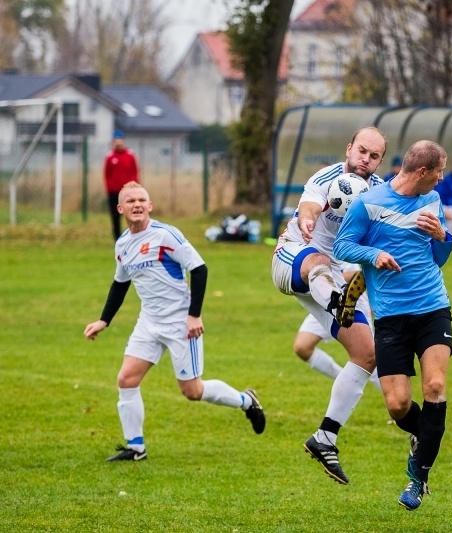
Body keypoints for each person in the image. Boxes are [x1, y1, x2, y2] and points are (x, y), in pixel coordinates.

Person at [84, 182, 266, 462]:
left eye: (142, 199)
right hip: (149, 321)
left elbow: (199, 269)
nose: (137, 204)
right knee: (126, 379)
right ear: (120, 208)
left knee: (192, 391)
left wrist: (194, 315)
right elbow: (120, 284)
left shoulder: (165, 235)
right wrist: (103, 320)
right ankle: (136, 448)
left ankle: (246, 401)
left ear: (150, 205)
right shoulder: (122, 244)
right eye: (130, 201)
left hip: (180, 321)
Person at [334, 140, 452, 511]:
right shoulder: (370, 203)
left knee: (435, 386)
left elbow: (442, 256)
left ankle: (417, 477)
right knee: (398, 405)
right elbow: (342, 246)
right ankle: (425, 437)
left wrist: (442, 237)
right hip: (390, 316)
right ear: (422, 172)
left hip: (433, 307)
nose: (442, 178)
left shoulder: (433, 201)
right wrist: (374, 254)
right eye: (439, 171)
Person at [271, 126, 385, 485]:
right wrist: (306, 219)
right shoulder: (328, 176)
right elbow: (309, 205)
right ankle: (340, 304)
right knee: (318, 260)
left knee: (367, 354)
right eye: (361, 151)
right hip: (294, 256)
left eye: (374, 155)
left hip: (341, 276)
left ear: (380, 160)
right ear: (349, 149)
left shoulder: (380, 192)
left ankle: (326, 437)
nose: (365, 159)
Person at [293, 264, 382, 391]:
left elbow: (357, 275)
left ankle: (400, 402)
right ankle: (346, 382)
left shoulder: (335, 245)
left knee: (369, 360)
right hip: (325, 303)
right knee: (302, 346)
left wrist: (320, 277)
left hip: (351, 304)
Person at [103, 130, 139, 240]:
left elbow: (135, 172)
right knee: (115, 217)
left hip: (128, 192)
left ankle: (134, 237)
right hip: (114, 193)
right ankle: (117, 239)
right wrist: (110, 188)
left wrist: (135, 188)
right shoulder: (110, 157)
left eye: (120, 140)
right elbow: (107, 174)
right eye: (116, 140)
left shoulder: (130, 155)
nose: (118, 143)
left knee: (132, 215)